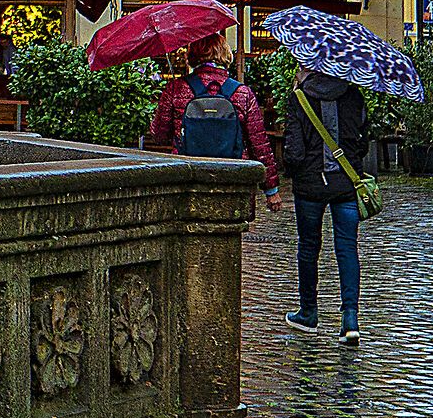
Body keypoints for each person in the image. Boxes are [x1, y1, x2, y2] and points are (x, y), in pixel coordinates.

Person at [283, 69, 370, 344]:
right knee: (347, 246)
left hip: (310, 186)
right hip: (346, 183)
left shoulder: (299, 97)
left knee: (309, 247)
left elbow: (294, 152)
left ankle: (309, 313)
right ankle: (350, 319)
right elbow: (364, 141)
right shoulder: (354, 94)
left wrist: (292, 170)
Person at [149, 36, 281, 204]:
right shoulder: (242, 93)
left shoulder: (176, 88)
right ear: (225, 53)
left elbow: (160, 136)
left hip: (187, 178)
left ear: (192, 55)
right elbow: (259, 144)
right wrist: (271, 190)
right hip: (233, 179)